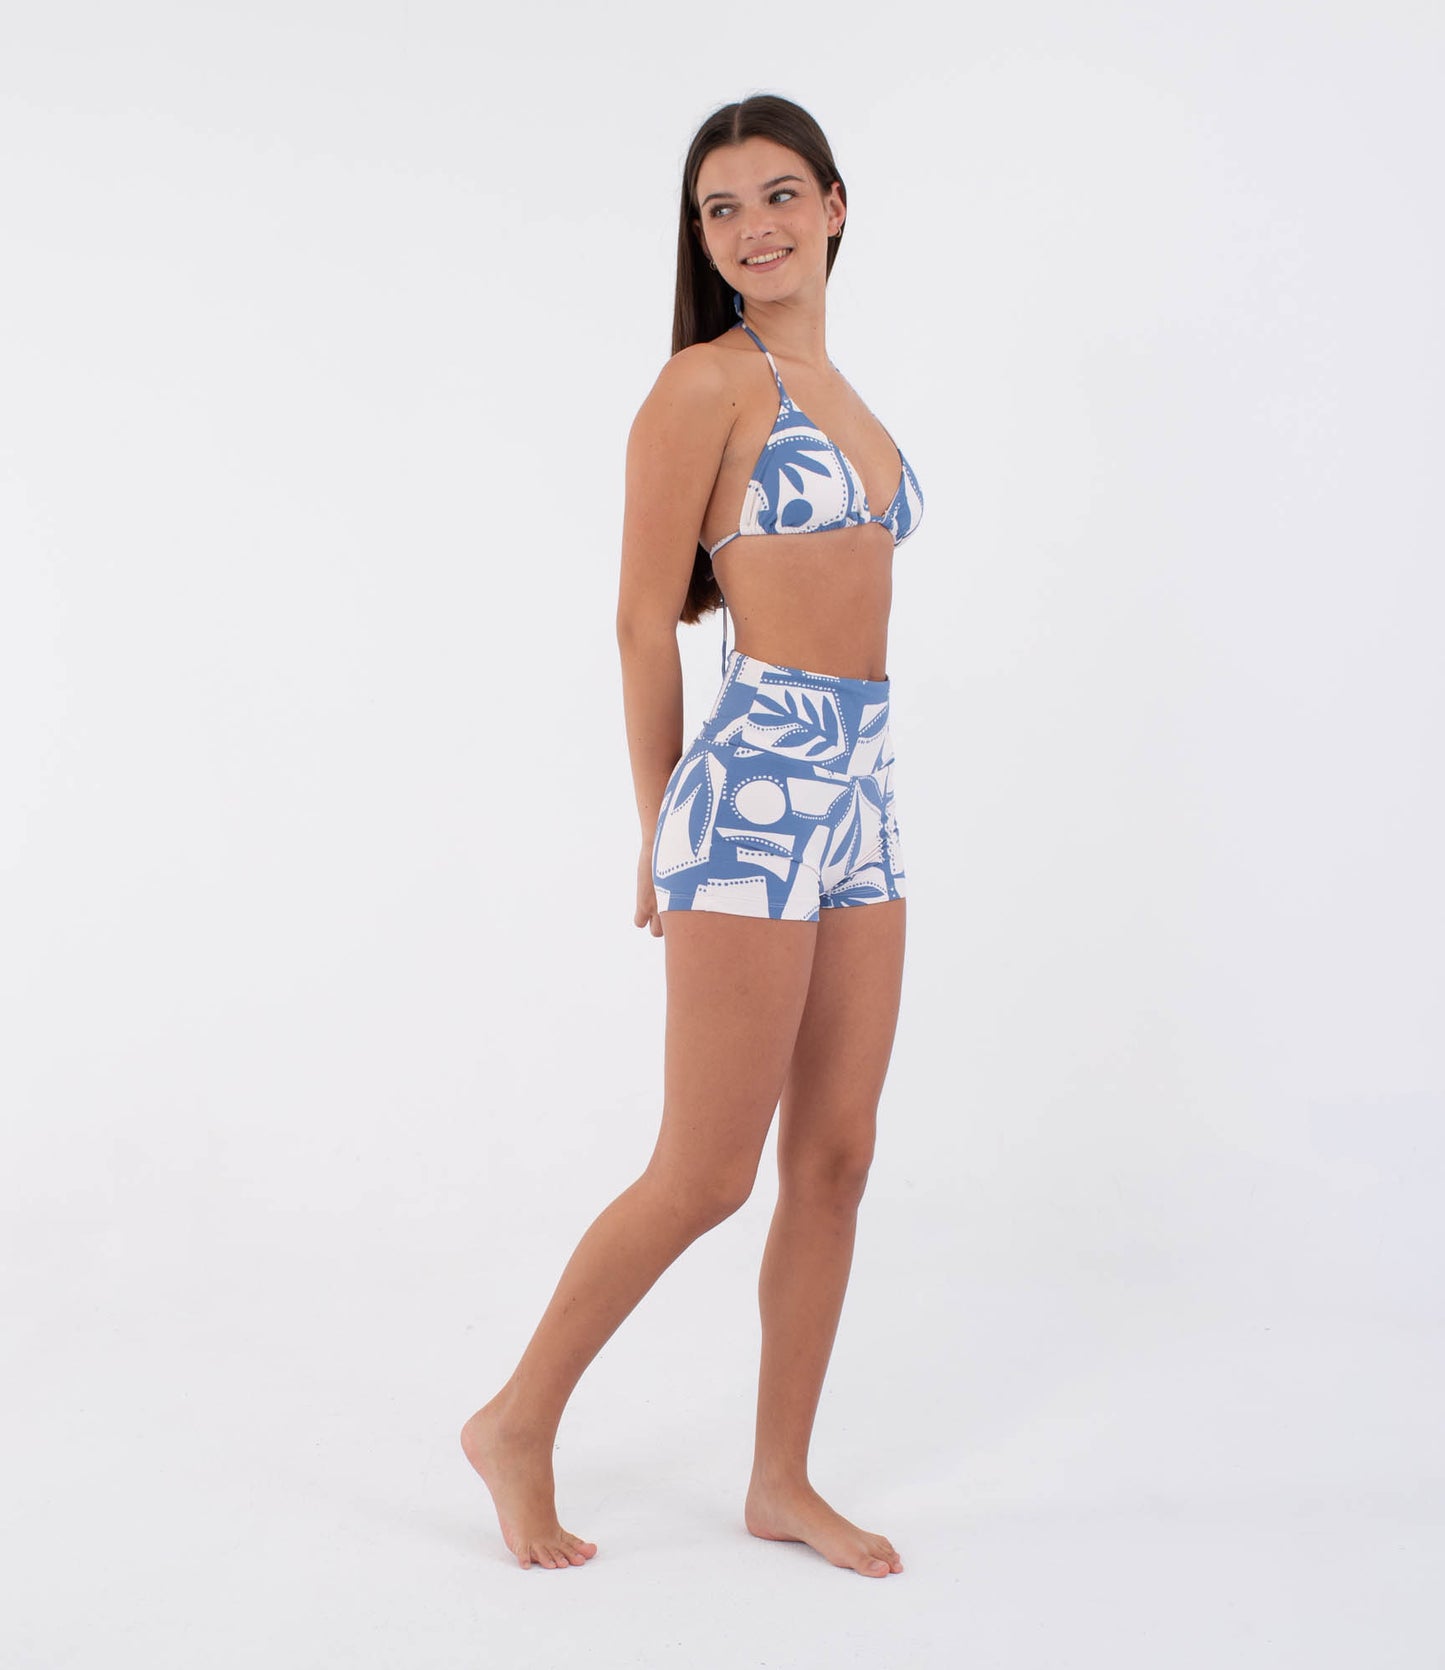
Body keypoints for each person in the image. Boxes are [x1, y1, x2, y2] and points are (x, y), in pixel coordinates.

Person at [461, 93, 923, 1578]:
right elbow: (639, 620)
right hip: (754, 784)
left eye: (779, 195)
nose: (752, 228)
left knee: (835, 1157)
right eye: (721, 209)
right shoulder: (703, 387)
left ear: (835, 206)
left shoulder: (845, 395)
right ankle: (515, 1421)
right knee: (706, 1171)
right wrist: (658, 822)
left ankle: (780, 1479)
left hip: (863, 788)